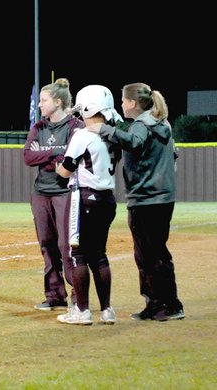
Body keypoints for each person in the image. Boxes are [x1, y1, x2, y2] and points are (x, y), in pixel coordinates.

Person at [93, 82, 184, 321]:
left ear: (132, 103)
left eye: (123, 100)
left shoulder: (142, 124)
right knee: (157, 253)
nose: (121, 104)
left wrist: (103, 130)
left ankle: (161, 305)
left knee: (148, 255)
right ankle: (167, 303)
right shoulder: (162, 124)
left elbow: (134, 142)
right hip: (163, 197)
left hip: (146, 199)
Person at [55, 85, 121, 325]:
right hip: (107, 198)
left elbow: (65, 170)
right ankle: (107, 310)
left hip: (84, 197)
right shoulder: (113, 133)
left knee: (78, 254)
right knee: (99, 255)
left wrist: (56, 167)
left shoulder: (83, 135)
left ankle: (82, 311)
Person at [23, 78, 83, 311]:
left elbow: (72, 155)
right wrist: (55, 153)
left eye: (43, 100)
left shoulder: (74, 126)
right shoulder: (38, 127)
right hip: (41, 192)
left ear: (57, 102)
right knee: (47, 244)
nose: (39, 105)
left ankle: (79, 296)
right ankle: (55, 296)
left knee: (66, 245)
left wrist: (45, 152)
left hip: (65, 192)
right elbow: (28, 157)